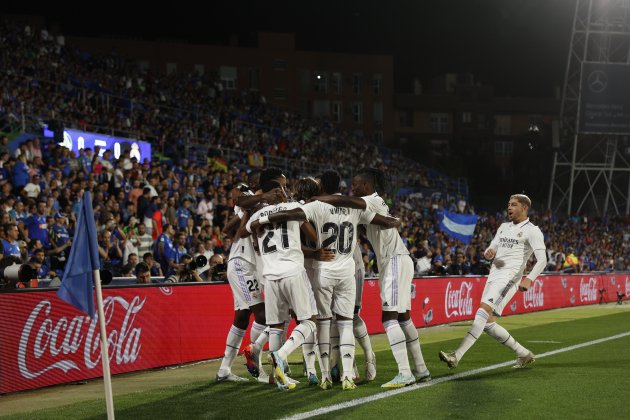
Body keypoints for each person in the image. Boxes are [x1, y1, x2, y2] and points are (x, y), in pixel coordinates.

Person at [254, 177, 401, 390]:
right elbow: (384, 221)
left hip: (321, 269)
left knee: (320, 323)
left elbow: (295, 215)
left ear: (321, 188)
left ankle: (323, 376)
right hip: (347, 270)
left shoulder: (316, 205)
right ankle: (349, 374)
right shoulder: (354, 206)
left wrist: (264, 220)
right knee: (346, 322)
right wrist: (396, 221)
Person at [315, 167, 430, 388]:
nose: (353, 188)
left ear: (366, 186)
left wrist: (316, 198)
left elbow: (346, 203)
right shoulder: (372, 202)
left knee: (388, 318)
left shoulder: (370, 200)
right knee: (404, 317)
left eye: (356, 184)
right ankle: (421, 368)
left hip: (394, 260)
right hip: (398, 259)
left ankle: (405, 373)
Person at [439, 194, 547, 369]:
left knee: (482, 312)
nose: (509, 208)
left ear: (524, 208)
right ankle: (523, 353)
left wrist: (529, 279)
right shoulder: (504, 227)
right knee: (488, 322)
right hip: (494, 275)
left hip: (510, 278)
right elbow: (492, 248)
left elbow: (542, 260)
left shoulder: (532, 230)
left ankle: (456, 355)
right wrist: (488, 252)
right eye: (508, 204)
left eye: (513, 204)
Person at [244, 179, 318, 391]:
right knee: (309, 321)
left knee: (276, 326)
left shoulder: (256, 215)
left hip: (270, 274)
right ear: (277, 191)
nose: (286, 191)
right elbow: (311, 235)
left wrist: (265, 220)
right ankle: (281, 355)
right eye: (283, 189)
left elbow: (254, 238)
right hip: (293, 270)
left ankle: (280, 378)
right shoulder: (293, 206)